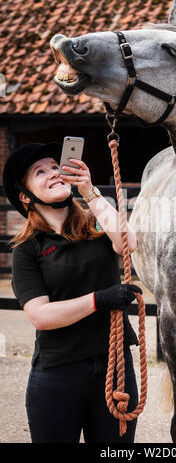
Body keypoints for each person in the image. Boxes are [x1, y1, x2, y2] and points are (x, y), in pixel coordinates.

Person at [2, 141, 143, 443]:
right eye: (40, 172)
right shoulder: (27, 250)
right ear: (25, 196)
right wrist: (97, 300)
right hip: (58, 373)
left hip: (114, 365)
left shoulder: (96, 224)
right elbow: (40, 315)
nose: (53, 172)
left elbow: (128, 244)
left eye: (56, 167)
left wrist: (90, 192)